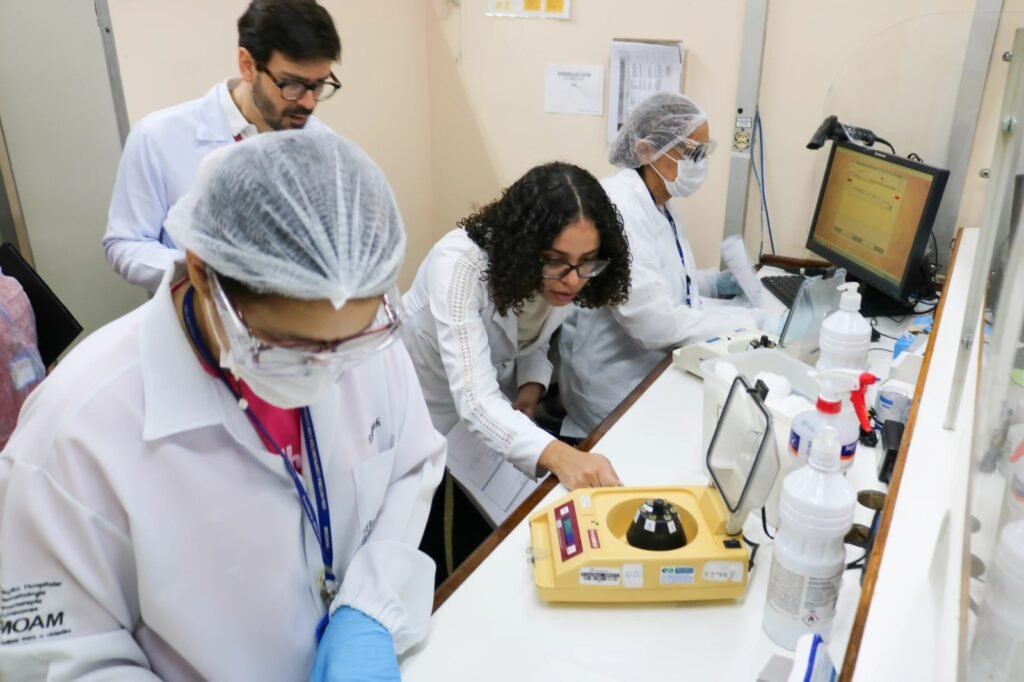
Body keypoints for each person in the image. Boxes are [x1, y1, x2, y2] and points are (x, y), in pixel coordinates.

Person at [0, 130, 444, 681]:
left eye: (348, 342)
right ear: (201, 271)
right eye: (285, 345)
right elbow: (57, 659)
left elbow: (411, 467)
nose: (327, 370)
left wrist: (370, 609)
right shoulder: (71, 439)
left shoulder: (362, 342)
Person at [401, 161, 632, 583]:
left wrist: (531, 383)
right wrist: (562, 455)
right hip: (424, 414)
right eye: (558, 262)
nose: (573, 281)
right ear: (525, 247)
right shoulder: (459, 267)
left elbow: (533, 335)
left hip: (486, 427)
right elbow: (474, 402)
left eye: (587, 263)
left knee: (495, 540)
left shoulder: (557, 277)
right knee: (438, 554)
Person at [559, 92, 763, 439]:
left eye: (704, 152)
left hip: (650, 367)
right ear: (646, 150)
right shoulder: (620, 208)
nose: (700, 164)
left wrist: (716, 283)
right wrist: (753, 322)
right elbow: (656, 324)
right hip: (614, 390)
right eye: (691, 152)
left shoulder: (661, 205)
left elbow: (666, 283)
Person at [102, 0, 342, 293]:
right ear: (247, 65)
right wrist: (204, 273)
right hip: (195, 317)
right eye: (292, 84)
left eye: (319, 84)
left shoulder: (325, 146)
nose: (308, 102)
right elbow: (125, 243)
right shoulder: (158, 137)